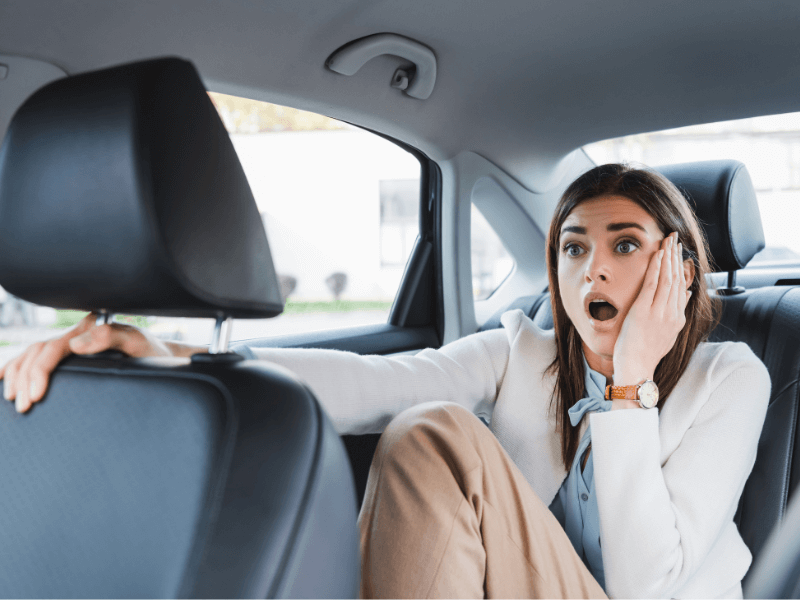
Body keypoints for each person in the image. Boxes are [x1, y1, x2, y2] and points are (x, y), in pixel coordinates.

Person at [0, 164, 770, 599]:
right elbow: (366, 385)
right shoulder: (521, 350)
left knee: (439, 434)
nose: (592, 268)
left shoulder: (732, 378)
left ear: (679, 268)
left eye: (624, 245)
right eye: (572, 249)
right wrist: (168, 354)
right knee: (421, 424)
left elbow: (644, 587)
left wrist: (630, 384)